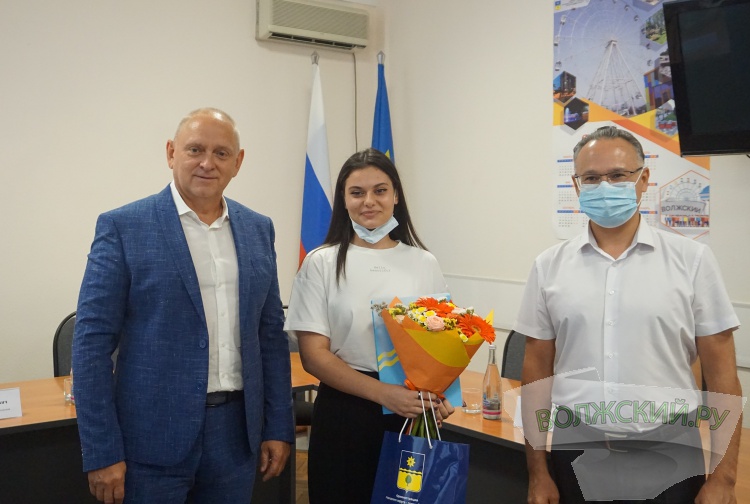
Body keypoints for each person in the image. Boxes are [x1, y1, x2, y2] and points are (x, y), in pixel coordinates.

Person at [72, 108, 294, 504]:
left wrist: (278, 425)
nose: (208, 163)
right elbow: (90, 344)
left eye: (222, 153)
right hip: (149, 440)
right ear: (171, 153)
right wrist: (102, 449)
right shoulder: (124, 227)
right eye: (195, 150)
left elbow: (270, 337)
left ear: (238, 162)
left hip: (236, 437)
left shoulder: (259, 229)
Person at [516, 126, 743, 503]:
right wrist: (538, 472)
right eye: (591, 178)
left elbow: (723, 378)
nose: (604, 186)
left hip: (671, 452)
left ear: (644, 179)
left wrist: (724, 478)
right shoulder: (548, 267)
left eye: (618, 175)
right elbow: (535, 373)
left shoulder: (692, 261)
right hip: (576, 451)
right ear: (576, 186)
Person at [284, 148, 455, 503]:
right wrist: (383, 394)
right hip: (345, 412)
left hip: (411, 412)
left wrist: (442, 396)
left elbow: (441, 343)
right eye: (357, 192)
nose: (369, 202)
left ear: (396, 195)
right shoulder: (321, 263)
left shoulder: (424, 262)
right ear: (343, 200)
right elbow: (314, 356)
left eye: (380, 190)